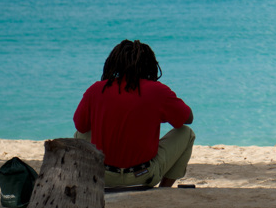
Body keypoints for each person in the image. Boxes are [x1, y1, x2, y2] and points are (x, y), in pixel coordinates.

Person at [73, 40, 195, 188]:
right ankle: (164, 189)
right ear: (150, 65)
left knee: (80, 133)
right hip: (143, 176)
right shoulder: (158, 91)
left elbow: (80, 125)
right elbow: (188, 119)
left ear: (113, 63)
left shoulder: (96, 89)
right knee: (186, 133)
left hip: (102, 175)